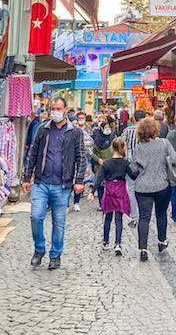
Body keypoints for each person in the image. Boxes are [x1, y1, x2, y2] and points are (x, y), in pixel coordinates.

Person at [23, 97, 87, 270]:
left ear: (65, 110)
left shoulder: (75, 132)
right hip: (41, 182)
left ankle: (55, 254)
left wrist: (79, 180)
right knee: (36, 216)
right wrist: (27, 177)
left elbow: (81, 156)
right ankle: (39, 249)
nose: (55, 112)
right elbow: (33, 153)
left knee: (58, 222)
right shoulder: (43, 129)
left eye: (59, 109)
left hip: (62, 185)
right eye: (53, 108)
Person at [129, 117, 176, 263]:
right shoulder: (164, 143)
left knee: (144, 217)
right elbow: (175, 159)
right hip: (162, 185)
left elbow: (133, 168)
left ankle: (143, 249)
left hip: (143, 187)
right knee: (161, 214)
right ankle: (161, 241)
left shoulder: (139, 147)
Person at [91, 137, 136, 255]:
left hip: (110, 190)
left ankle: (106, 241)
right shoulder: (125, 163)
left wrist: (92, 192)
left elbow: (99, 178)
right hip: (121, 190)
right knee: (118, 219)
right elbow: (133, 176)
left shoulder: (106, 163)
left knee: (108, 217)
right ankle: (118, 243)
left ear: (112, 148)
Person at [121, 109, 148, 227]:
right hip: (144, 163)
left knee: (131, 189)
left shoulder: (127, 131)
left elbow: (121, 145)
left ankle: (133, 216)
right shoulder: (147, 131)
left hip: (131, 163)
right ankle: (144, 215)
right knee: (144, 190)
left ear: (133, 118)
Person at [91, 119, 115, 209]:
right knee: (100, 185)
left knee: (111, 184)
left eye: (108, 127)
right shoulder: (97, 140)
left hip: (111, 165)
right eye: (105, 127)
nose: (107, 129)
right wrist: (98, 160)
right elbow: (93, 153)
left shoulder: (113, 138)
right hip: (100, 165)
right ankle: (101, 204)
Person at [71, 113, 92, 212]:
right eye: (74, 123)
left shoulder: (83, 132)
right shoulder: (67, 133)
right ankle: (66, 204)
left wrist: (85, 143)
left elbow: (91, 141)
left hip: (80, 159)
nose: (76, 125)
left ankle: (76, 202)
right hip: (69, 161)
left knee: (79, 180)